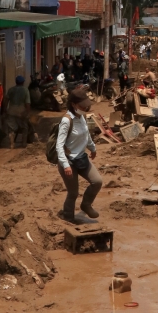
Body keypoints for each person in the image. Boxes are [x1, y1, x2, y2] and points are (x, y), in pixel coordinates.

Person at [56, 86, 103, 222]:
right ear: (73, 105)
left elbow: (86, 135)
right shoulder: (66, 121)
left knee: (97, 181)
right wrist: (65, 165)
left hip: (81, 158)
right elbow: (59, 145)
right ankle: (68, 217)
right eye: (82, 106)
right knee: (73, 193)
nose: (85, 109)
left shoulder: (82, 117)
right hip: (69, 161)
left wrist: (92, 148)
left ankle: (86, 205)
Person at [4, 76, 32, 148]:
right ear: (23, 82)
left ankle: (12, 144)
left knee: (11, 128)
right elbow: (27, 103)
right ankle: (23, 143)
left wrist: (4, 110)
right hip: (21, 111)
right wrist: (28, 112)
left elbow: (6, 101)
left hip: (11, 111)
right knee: (24, 128)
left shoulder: (11, 90)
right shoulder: (25, 90)